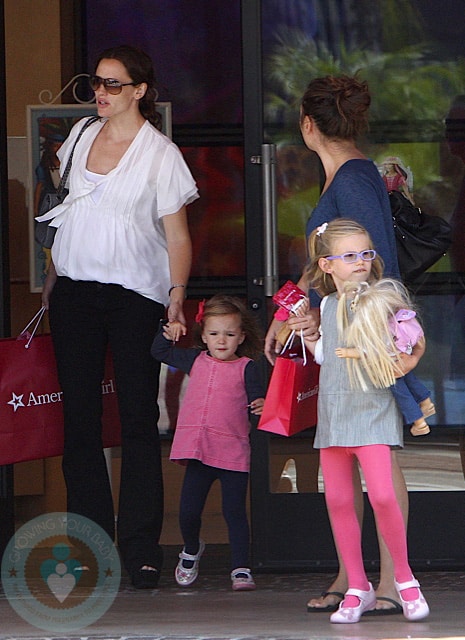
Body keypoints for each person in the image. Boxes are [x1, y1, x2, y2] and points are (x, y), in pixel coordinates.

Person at [37, 45, 199, 589]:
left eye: (110, 84)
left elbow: (177, 235)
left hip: (135, 298)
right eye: (95, 84)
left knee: (136, 420)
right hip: (75, 294)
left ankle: (140, 547)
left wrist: (176, 295)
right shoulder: (81, 136)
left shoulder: (160, 155)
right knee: (79, 420)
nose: (100, 93)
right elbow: (63, 207)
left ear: (139, 91)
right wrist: (51, 278)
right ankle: (89, 545)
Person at [264, 75, 410, 615]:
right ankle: (355, 575)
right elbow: (323, 263)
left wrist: (364, 332)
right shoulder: (350, 177)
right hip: (347, 332)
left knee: (376, 451)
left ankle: (394, 581)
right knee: (351, 450)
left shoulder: (351, 181)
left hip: (362, 339)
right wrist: (290, 308)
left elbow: (373, 266)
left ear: (308, 124)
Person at [303, 218, 429, 623]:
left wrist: (406, 361)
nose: (361, 262)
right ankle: (357, 585)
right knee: (338, 499)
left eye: (366, 253)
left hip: (373, 409)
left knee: (383, 495)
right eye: (350, 255)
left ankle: (405, 579)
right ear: (327, 265)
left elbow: (414, 337)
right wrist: (312, 341)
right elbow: (327, 356)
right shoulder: (327, 305)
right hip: (334, 413)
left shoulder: (382, 298)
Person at [151, 295, 265, 591]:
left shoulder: (247, 367)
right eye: (214, 334)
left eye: (229, 334)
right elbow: (158, 351)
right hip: (199, 450)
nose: (222, 341)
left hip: (233, 452)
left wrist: (261, 404)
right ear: (203, 336)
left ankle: (241, 568)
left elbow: (256, 398)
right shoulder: (194, 359)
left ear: (241, 337)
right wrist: (170, 327)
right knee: (188, 510)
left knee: (234, 512)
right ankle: (191, 548)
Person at [334, 279, 435, 436]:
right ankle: (426, 402)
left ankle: (419, 422)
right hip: (404, 358)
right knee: (411, 381)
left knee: (403, 395)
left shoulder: (381, 333)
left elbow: (367, 352)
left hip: (391, 368)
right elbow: (420, 342)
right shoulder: (399, 320)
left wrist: (348, 352)